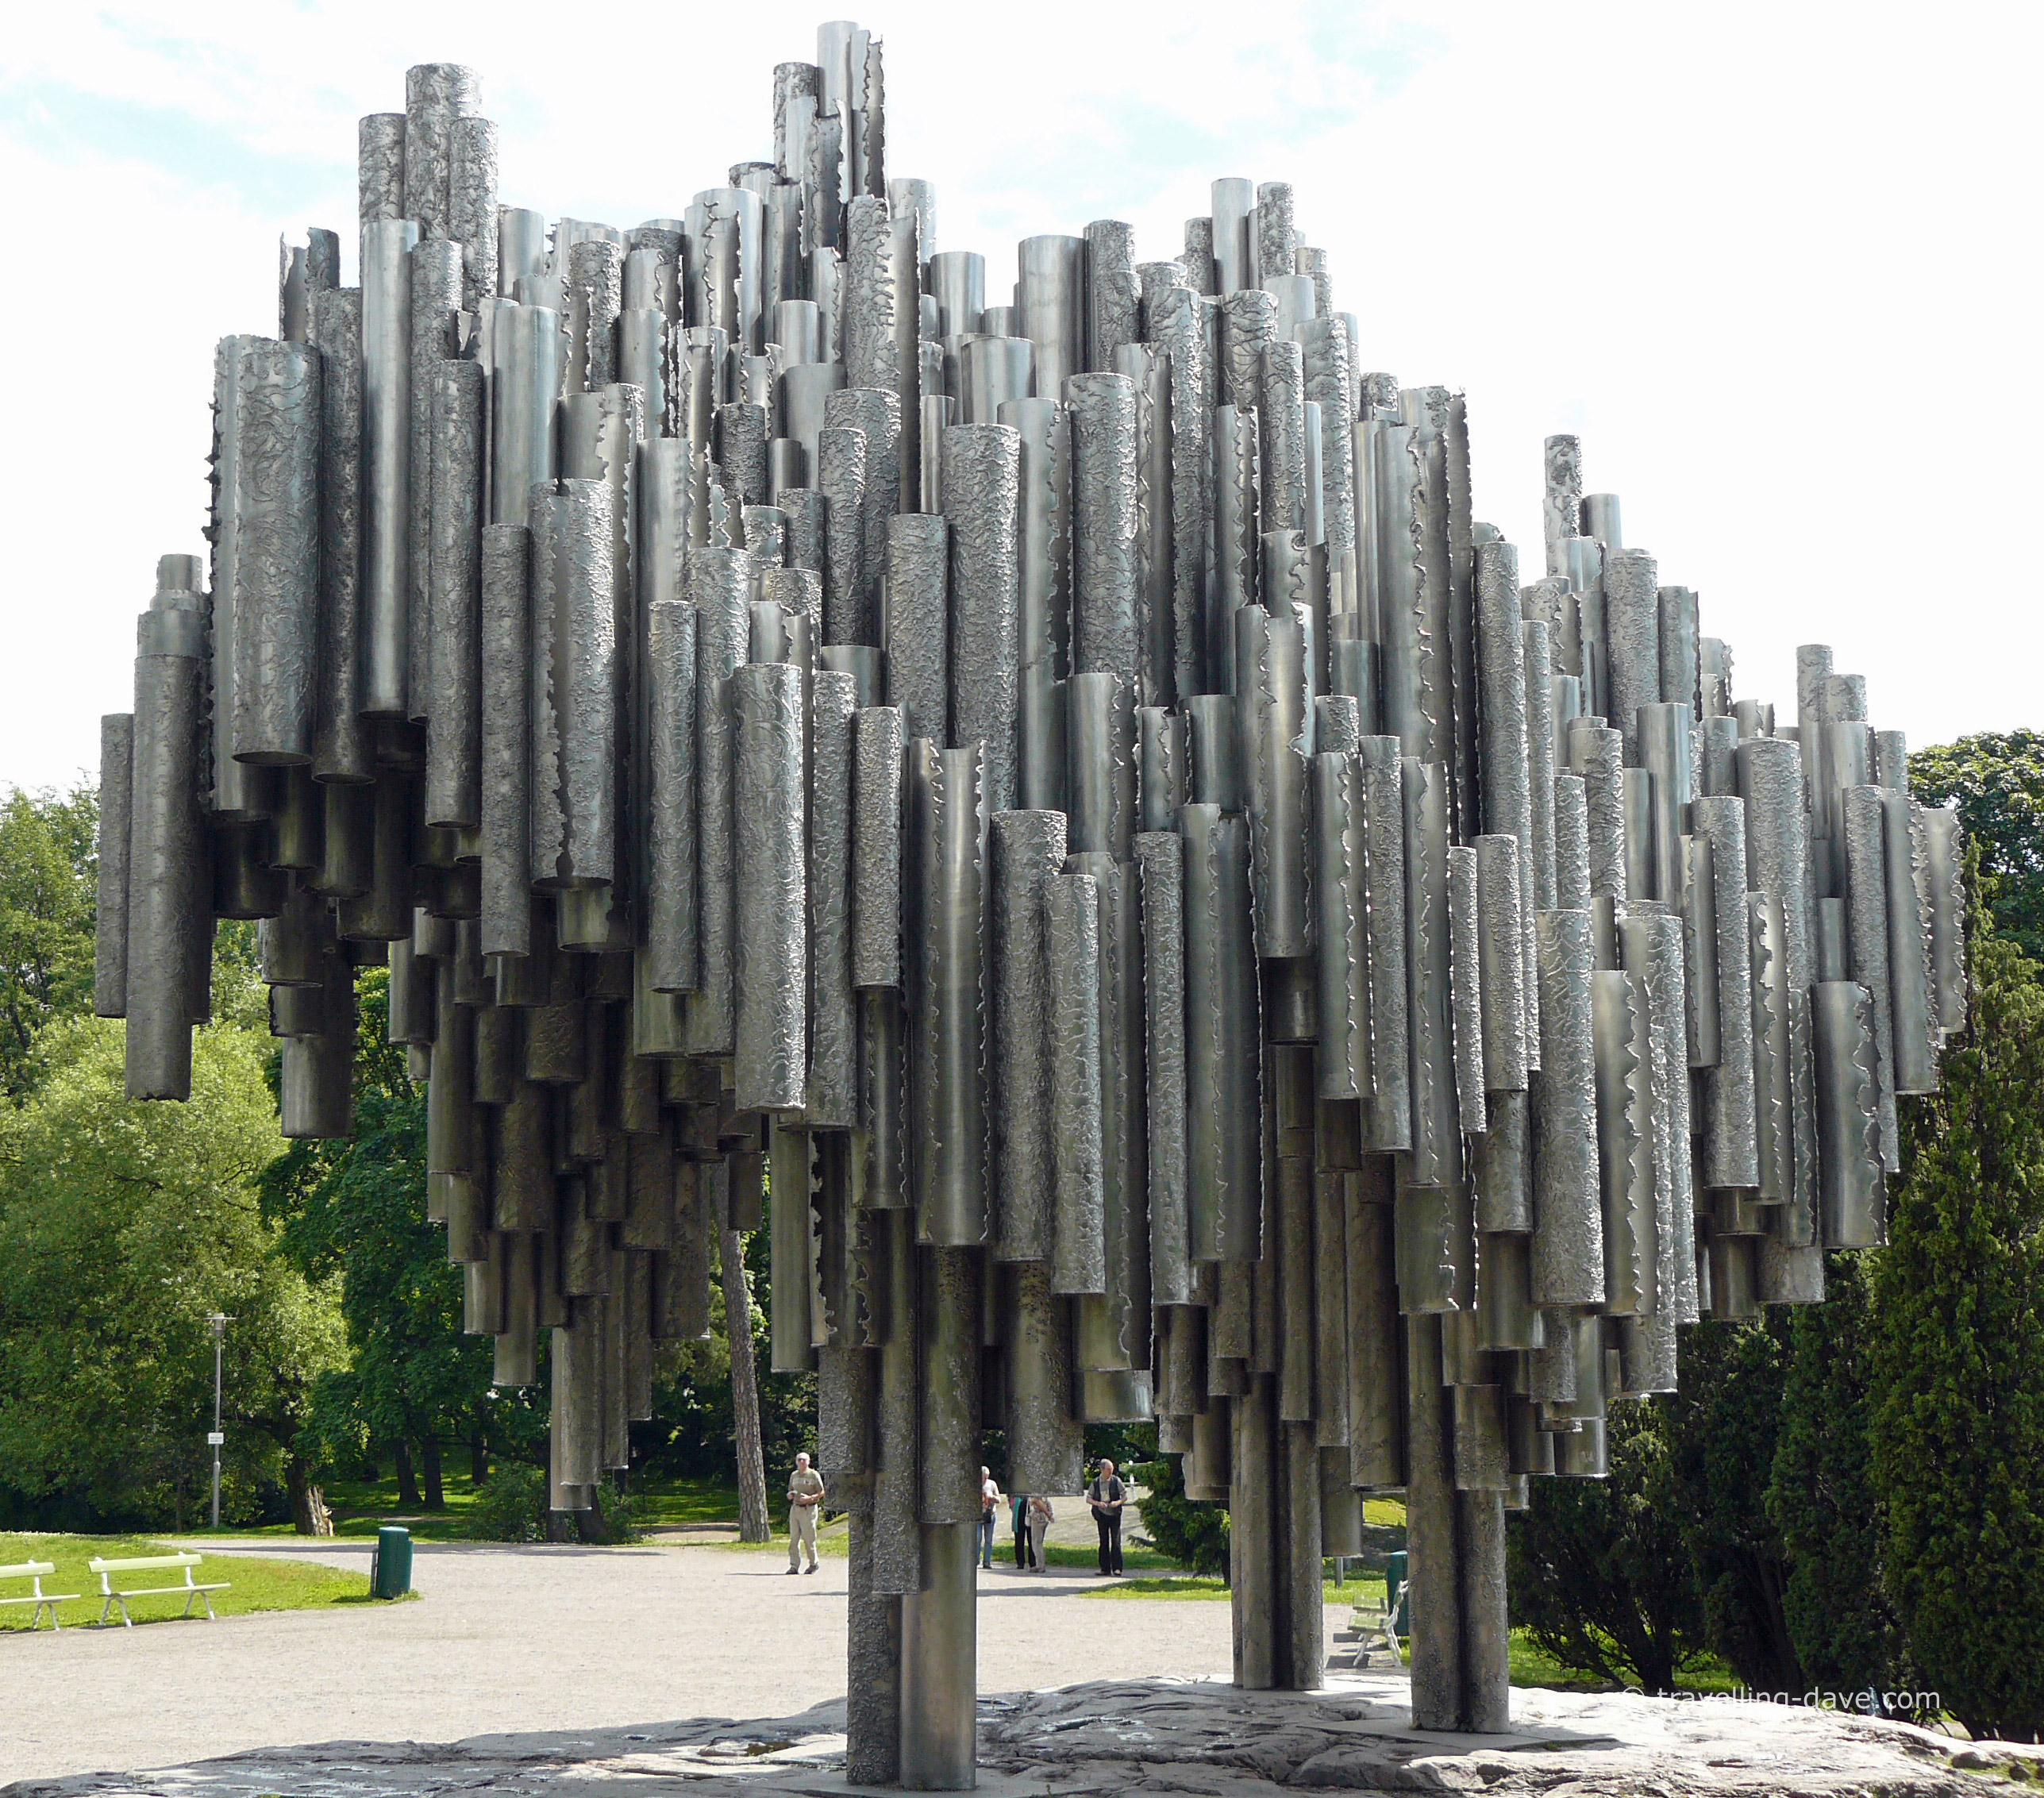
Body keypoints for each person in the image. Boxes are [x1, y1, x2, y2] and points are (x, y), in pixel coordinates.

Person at [786, 1452, 824, 1575]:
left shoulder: (813, 1475)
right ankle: (794, 1566)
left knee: (809, 1538)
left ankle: (813, 1564)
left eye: (804, 1460)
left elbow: (822, 1492)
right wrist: (790, 1495)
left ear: (808, 1462)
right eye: (799, 1460)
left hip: (809, 1509)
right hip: (795, 1508)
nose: (801, 1462)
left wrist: (810, 1498)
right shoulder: (794, 1475)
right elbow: (790, 1490)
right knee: (794, 1538)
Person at [1087, 1458, 1126, 1576]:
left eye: (1112, 1469)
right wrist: (1098, 1503)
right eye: (1108, 1470)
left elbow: (1125, 1496)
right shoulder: (1095, 1482)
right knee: (1104, 1541)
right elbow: (1088, 1499)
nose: (1110, 1472)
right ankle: (1105, 1568)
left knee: (1116, 1541)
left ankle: (1117, 1568)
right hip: (1102, 1515)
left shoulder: (1116, 1481)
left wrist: (1118, 1503)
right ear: (1102, 1470)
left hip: (1114, 1514)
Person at [977, 1466, 1000, 1569]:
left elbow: (999, 1498)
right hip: (978, 1515)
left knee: (989, 1539)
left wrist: (992, 1498)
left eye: (986, 1477)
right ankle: (975, 1560)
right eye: (983, 1477)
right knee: (977, 1539)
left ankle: (987, 1562)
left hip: (990, 1514)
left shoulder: (992, 1484)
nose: (984, 1480)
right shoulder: (975, 1485)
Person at [1027, 1492, 1054, 1571]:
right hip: (1043, 1518)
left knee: (1036, 1543)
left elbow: (1037, 1502)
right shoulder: (1043, 1491)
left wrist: (1048, 1514)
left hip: (1038, 1518)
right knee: (1038, 1542)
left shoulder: (1036, 1491)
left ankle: (1040, 1565)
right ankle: (1040, 1564)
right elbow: (1047, 1503)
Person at [1010, 1489, 1030, 1569]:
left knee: (1031, 1539)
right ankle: (1020, 1562)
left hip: (1030, 1512)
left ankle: (1033, 1562)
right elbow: (1011, 1501)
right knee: (1019, 1540)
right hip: (1019, 1512)